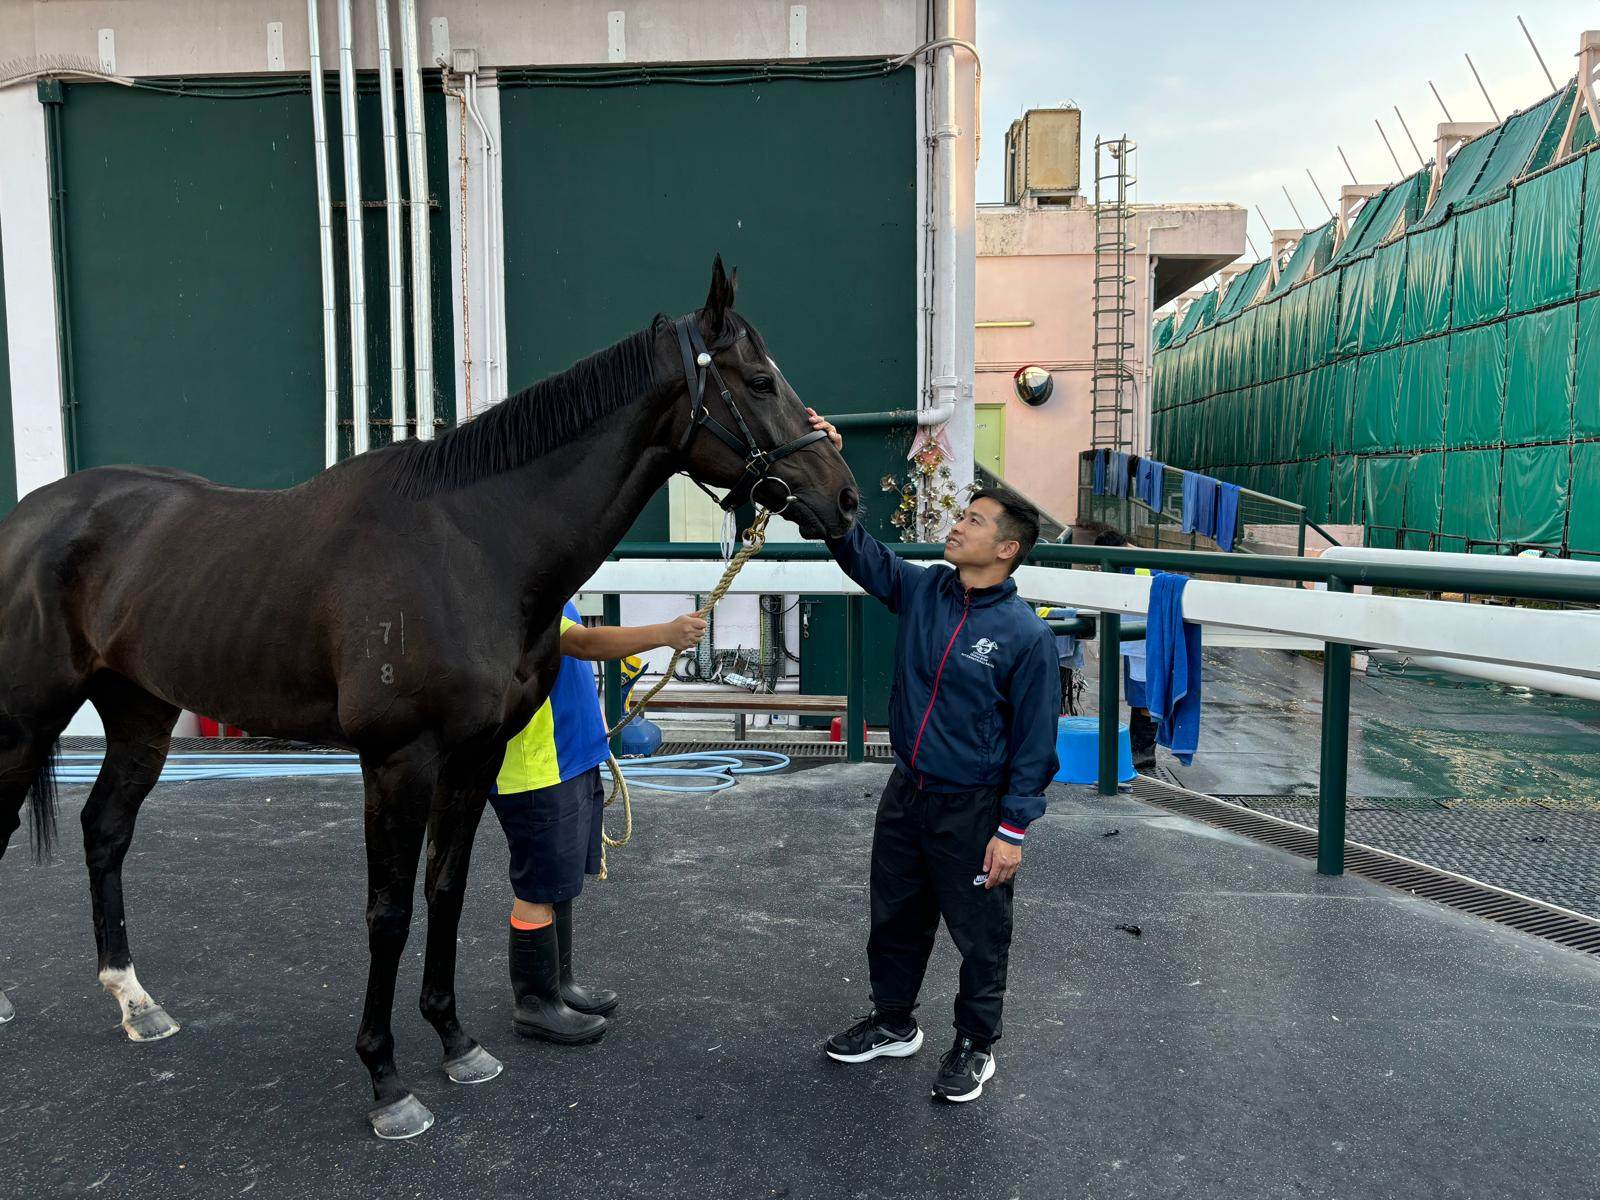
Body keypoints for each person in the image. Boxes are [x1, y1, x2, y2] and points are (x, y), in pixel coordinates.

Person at [805, 410, 1060, 1104]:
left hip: (973, 808)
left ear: (1006, 549)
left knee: (980, 935)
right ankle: (894, 1022)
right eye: (963, 516)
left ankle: (976, 1045)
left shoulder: (1024, 637)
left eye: (975, 521)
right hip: (908, 790)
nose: (958, 524)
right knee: (894, 914)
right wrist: (832, 463)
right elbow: (855, 549)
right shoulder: (923, 590)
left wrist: (1012, 830)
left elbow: (1037, 746)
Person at [491, 602, 705, 1043]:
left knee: (559, 883)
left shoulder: (554, 586)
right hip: (539, 766)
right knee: (538, 887)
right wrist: (666, 632)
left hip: (569, 756)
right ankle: (535, 1003)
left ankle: (558, 985)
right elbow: (582, 643)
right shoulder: (522, 594)